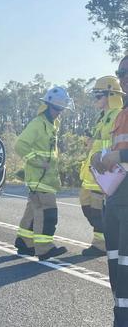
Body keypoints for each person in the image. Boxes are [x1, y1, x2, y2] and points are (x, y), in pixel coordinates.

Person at [14, 86, 73, 261]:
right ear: (49, 106)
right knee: (48, 212)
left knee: (33, 209)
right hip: (40, 178)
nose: (60, 113)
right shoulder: (38, 123)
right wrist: (38, 162)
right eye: (58, 109)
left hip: (43, 178)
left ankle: (24, 242)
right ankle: (44, 248)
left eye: (61, 109)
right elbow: (20, 146)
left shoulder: (52, 124)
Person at [92, 55, 128, 326]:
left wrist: (120, 156)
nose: (124, 76)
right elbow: (116, 152)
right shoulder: (123, 114)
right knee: (116, 267)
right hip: (116, 198)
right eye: (121, 72)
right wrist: (103, 158)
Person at [79, 76, 123, 257]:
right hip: (92, 173)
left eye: (98, 96)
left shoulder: (119, 115)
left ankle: (100, 244)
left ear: (110, 94)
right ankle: (103, 239)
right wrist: (90, 144)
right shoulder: (103, 117)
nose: (95, 100)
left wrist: (94, 144)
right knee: (87, 206)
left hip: (105, 172)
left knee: (98, 210)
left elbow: (114, 144)